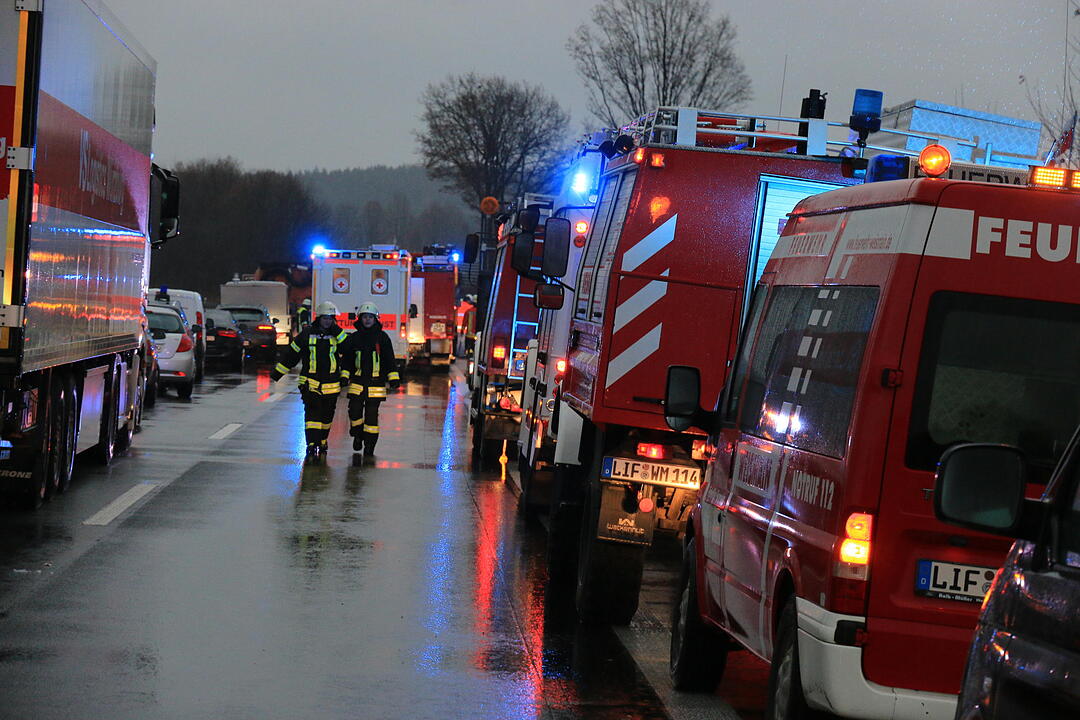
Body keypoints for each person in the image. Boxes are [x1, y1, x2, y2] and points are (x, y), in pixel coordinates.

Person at [271, 300, 349, 460]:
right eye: (325, 318)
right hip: (310, 383)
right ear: (319, 318)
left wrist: (337, 330)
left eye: (331, 318)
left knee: (327, 417)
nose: (328, 321)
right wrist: (278, 373)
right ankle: (311, 444)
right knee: (312, 414)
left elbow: (348, 349)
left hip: (332, 385)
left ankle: (322, 440)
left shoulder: (338, 335)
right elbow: (292, 355)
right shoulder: (306, 334)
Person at [339, 302, 400, 456]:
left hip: (375, 384)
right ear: (360, 319)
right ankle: (358, 436)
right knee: (354, 412)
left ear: (375, 319)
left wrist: (393, 378)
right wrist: (345, 376)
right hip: (358, 383)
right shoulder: (354, 338)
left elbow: (389, 360)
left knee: (372, 417)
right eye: (365, 317)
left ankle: (370, 445)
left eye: (370, 317)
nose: (367, 320)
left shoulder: (382, 337)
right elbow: (347, 360)